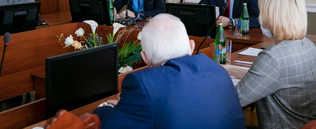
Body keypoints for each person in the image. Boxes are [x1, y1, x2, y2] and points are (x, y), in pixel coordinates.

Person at [93, 13, 246, 129]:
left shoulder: (144, 84)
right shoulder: (216, 69)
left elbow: (109, 126)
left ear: (145, 58)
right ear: (192, 47)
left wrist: (106, 107)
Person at [224, 0, 316, 128]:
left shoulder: (273, 57)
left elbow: (233, 100)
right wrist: (229, 69)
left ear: (273, 17)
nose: (259, 18)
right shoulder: (308, 44)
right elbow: (274, 78)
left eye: (262, 13)